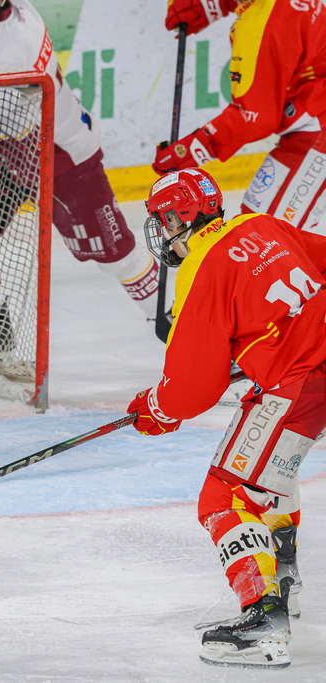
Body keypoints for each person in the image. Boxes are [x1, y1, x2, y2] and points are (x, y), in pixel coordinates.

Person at [127, 168, 326, 669]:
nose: (162, 231)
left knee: (226, 493)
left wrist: (156, 407)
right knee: (269, 467)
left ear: (179, 219)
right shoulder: (262, 225)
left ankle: (265, 619)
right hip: (313, 366)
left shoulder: (199, 271)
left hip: (303, 383)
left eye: (163, 221)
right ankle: (282, 574)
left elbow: (191, 388)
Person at [0, 0, 161, 353]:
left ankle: (173, 318)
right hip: (2, 147)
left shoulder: (13, 47)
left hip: (61, 158)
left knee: (116, 256)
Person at [153, 0, 326, 231]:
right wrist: (219, 3)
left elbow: (254, 117)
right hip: (313, 119)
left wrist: (190, 150)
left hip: (317, 126)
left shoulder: (262, 26)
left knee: (265, 234)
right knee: (266, 229)